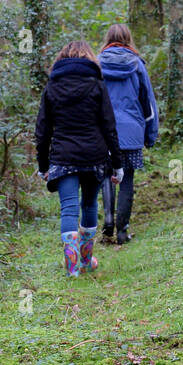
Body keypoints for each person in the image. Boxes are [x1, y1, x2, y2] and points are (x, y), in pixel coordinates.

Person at [35, 41, 123, 277]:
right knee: (89, 204)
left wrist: (42, 165)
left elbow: (42, 131)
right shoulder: (97, 85)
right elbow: (109, 127)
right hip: (94, 156)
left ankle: (72, 268)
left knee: (69, 209)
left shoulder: (52, 87)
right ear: (90, 59)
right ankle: (85, 261)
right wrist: (117, 164)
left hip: (63, 157)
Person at [98, 23, 159, 245]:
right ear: (128, 39)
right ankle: (122, 231)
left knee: (106, 174)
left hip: (103, 131)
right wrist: (150, 135)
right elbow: (148, 104)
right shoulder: (137, 65)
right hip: (131, 132)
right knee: (127, 179)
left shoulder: (96, 63)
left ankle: (107, 222)